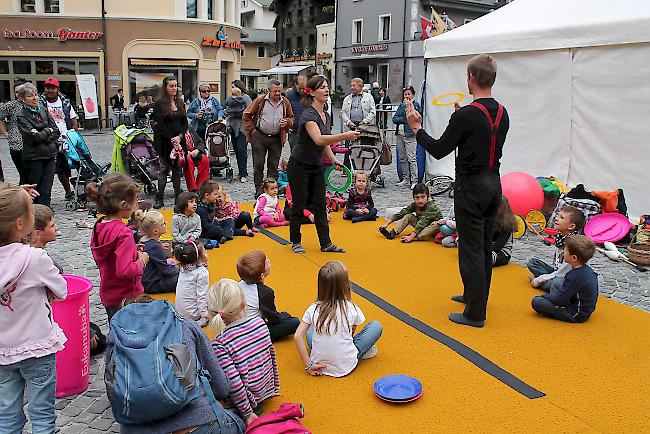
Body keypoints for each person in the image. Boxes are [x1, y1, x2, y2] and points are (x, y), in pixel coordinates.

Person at [405, 54, 510, 328]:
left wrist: (417, 128)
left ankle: (476, 313)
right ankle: (474, 296)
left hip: (471, 187)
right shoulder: (501, 112)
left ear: (471, 78)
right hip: (493, 185)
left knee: (471, 249)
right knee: (483, 246)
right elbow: (481, 140)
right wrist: (459, 121)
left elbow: (439, 149)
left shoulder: (467, 114)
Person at [106, 295, 246, 434]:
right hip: (197, 423)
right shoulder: (184, 325)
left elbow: (114, 386)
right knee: (238, 421)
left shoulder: (116, 337)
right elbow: (221, 386)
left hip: (137, 429)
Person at [0, 184, 68, 434]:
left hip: (2, 349)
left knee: (6, 413)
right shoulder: (34, 258)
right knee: (42, 413)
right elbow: (62, 291)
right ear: (20, 224)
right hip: (37, 346)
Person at [289, 75, 359, 254]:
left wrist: (333, 158)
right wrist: (345, 136)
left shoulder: (325, 114)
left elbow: (325, 144)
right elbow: (319, 139)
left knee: (320, 204)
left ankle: (326, 243)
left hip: (316, 165)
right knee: (299, 204)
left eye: (327, 86)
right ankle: (296, 241)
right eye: (322, 87)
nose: (326, 90)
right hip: (299, 165)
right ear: (311, 92)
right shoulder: (308, 114)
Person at [293, 261, 382, 377]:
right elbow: (350, 333)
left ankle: (324, 349)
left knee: (310, 329)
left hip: (318, 363)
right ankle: (359, 352)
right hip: (345, 365)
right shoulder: (351, 308)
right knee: (376, 326)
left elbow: (297, 336)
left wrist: (309, 365)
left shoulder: (313, 308)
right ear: (345, 285)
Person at [209, 278, 280, 425]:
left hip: (248, 404)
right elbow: (270, 356)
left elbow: (234, 383)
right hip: (263, 391)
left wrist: (247, 413)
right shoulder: (260, 323)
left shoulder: (220, 342)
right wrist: (273, 387)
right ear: (243, 304)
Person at [87, 173, 149, 323]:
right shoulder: (124, 233)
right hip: (126, 297)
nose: (136, 206)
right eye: (135, 202)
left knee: (116, 332)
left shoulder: (99, 226)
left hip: (109, 293)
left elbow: (107, 254)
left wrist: (131, 250)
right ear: (123, 205)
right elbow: (124, 271)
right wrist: (142, 261)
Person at [243, 79, 294, 196]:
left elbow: (291, 118)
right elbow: (246, 115)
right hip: (260, 136)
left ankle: (270, 190)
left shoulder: (285, 102)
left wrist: (287, 122)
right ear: (269, 90)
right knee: (258, 164)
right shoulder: (261, 101)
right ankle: (259, 190)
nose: (277, 93)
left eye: (279, 91)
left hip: (276, 138)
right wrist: (252, 130)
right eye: (275, 91)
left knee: (273, 165)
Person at [531, 235, 598, 323]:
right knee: (558, 284)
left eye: (565, 250)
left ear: (574, 258)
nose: (563, 252)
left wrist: (545, 296)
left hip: (576, 314)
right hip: (582, 306)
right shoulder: (587, 270)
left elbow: (560, 300)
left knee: (537, 302)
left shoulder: (574, 275)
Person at [236, 250, 300, 341]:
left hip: (236, 327)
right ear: (262, 275)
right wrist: (285, 315)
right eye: (267, 262)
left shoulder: (238, 284)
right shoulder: (264, 292)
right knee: (295, 322)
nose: (269, 260)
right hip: (251, 332)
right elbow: (273, 318)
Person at [16, 83, 59, 207]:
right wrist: (47, 130)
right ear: (23, 99)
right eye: (30, 96)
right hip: (34, 157)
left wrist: (44, 133)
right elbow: (34, 137)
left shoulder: (43, 110)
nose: (35, 98)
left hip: (49, 155)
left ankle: (45, 213)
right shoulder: (22, 115)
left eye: (35, 95)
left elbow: (55, 130)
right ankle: (34, 215)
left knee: (47, 189)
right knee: (35, 189)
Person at [528, 206, 584, 291]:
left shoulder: (572, 244)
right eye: (558, 215)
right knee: (532, 262)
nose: (556, 218)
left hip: (566, 278)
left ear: (571, 226)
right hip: (558, 271)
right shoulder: (560, 237)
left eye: (561, 218)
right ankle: (546, 282)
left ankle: (543, 283)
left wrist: (538, 280)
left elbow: (562, 273)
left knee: (556, 283)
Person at [152, 76, 188, 209]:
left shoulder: (180, 103)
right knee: (163, 170)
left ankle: (178, 198)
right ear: (165, 87)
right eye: (171, 86)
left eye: (175, 86)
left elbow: (185, 123)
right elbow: (160, 125)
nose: (174, 88)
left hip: (178, 142)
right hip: (164, 143)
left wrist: (180, 137)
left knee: (177, 171)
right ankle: (159, 198)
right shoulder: (159, 104)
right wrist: (172, 139)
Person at [41, 77, 77, 201]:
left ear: (57, 89)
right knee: (49, 169)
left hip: (65, 139)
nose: (49, 90)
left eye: (52, 88)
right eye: (47, 88)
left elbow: (73, 121)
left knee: (65, 167)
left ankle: (69, 191)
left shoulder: (65, 103)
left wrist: (72, 134)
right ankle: (45, 195)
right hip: (48, 140)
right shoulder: (40, 103)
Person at [140, 211, 179, 294]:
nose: (166, 223)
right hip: (152, 283)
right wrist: (179, 271)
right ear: (155, 231)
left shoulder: (143, 240)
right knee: (183, 278)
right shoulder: (155, 246)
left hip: (145, 280)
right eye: (163, 224)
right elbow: (165, 270)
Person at [393, 86, 422, 187]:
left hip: (410, 135)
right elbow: (395, 119)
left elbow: (413, 117)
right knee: (402, 158)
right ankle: (406, 179)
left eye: (409, 94)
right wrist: (404, 117)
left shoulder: (416, 105)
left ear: (413, 95)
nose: (407, 96)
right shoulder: (401, 106)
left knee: (412, 158)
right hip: (400, 134)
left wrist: (406, 115)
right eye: (405, 94)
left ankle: (414, 181)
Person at [175, 241, 210, 327]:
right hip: (193, 315)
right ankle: (200, 320)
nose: (207, 252)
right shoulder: (202, 272)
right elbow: (202, 296)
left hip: (180, 312)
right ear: (200, 258)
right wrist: (205, 315)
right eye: (205, 251)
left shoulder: (183, 268)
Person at [0, 80, 28, 184]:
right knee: (23, 174)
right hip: (16, 145)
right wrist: (5, 133)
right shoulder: (10, 105)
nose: (19, 94)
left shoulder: (33, 103)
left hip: (32, 144)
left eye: (21, 91)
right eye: (16, 92)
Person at [225, 86, 250, 182]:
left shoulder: (246, 98)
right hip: (233, 127)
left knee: (241, 150)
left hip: (242, 128)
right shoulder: (230, 100)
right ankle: (241, 172)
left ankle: (243, 173)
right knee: (236, 150)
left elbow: (249, 112)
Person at [196, 180, 227, 246]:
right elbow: (204, 226)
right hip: (205, 231)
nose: (217, 197)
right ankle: (224, 235)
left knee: (228, 221)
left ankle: (224, 234)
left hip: (212, 225)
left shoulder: (211, 204)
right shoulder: (201, 209)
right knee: (217, 229)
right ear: (207, 195)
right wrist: (215, 223)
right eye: (215, 194)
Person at [181, 127, 210, 193]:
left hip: (194, 154)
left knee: (205, 160)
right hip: (182, 155)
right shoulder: (175, 132)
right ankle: (193, 188)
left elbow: (201, 142)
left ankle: (201, 186)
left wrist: (197, 150)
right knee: (188, 161)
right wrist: (185, 151)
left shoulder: (191, 130)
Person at [491, 196, 517, 267]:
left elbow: (498, 245)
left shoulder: (507, 224)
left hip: (502, 253)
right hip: (490, 249)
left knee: (485, 258)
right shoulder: (492, 219)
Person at [286, 75, 307, 151]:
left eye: (304, 88)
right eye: (300, 88)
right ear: (296, 85)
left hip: (308, 131)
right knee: (295, 154)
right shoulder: (289, 96)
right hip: (294, 131)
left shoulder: (310, 96)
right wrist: (287, 126)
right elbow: (285, 112)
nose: (302, 91)